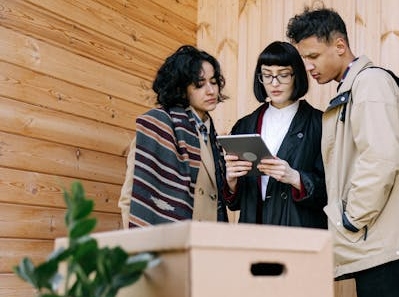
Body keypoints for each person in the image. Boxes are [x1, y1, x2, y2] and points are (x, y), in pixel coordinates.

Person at [286, 7, 399, 297]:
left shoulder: (370, 84)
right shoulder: (354, 87)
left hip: (383, 240)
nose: (308, 67)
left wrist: (352, 218)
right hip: (378, 239)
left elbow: (382, 157)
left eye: (312, 56)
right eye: (303, 58)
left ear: (339, 45)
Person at [119, 45, 229, 228]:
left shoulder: (213, 137)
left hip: (209, 242)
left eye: (214, 81)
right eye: (200, 84)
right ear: (181, 88)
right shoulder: (159, 126)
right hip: (170, 242)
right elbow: (130, 198)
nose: (211, 91)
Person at [222, 41, 326, 228]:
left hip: (300, 233)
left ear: (297, 76)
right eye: (267, 76)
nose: (274, 83)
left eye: (283, 75)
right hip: (253, 232)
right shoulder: (244, 126)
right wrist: (231, 181)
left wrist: (295, 177)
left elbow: (334, 191)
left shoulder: (321, 124)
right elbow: (234, 203)